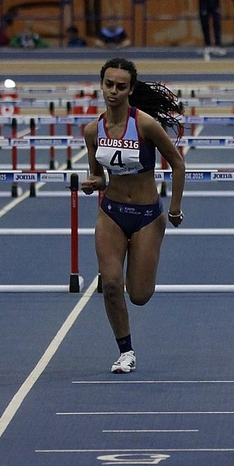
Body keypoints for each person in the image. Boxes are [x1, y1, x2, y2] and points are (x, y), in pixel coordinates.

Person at [79, 58, 189, 375]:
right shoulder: (92, 131)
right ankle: (125, 351)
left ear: (130, 89)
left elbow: (178, 164)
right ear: (101, 86)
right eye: (109, 85)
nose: (113, 91)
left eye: (120, 86)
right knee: (111, 284)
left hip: (146, 216)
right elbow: (99, 177)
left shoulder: (145, 125)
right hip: (111, 214)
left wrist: (175, 208)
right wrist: (92, 183)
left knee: (139, 295)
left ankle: (144, 262)